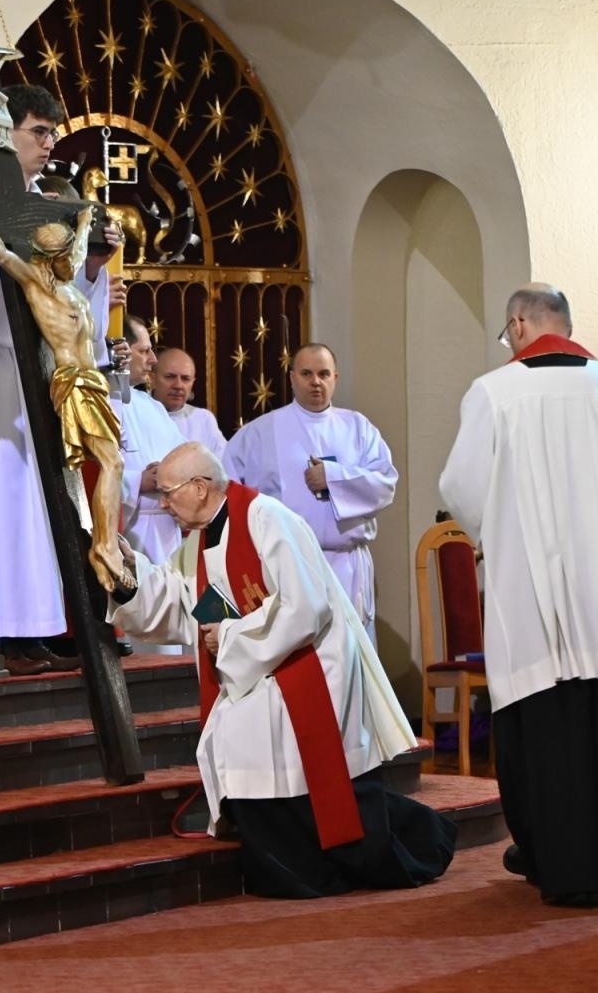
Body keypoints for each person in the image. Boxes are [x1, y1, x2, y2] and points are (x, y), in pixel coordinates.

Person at [109, 442, 456, 897]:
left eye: (168, 493)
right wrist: (128, 570)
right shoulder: (198, 538)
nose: (163, 503)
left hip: (306, 664)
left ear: (198, 488)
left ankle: (401, 846)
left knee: (293, 769)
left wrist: (230, 639)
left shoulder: (265, 519)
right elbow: (179, 600)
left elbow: (304, 606)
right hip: (258, 668)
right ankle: (292, 871)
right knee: (243, 741)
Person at [438, 285, 598, 908]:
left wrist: (495, 537)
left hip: (531, 593)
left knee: (538, 727)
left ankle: (547, 860)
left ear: (518, 325)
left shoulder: (493, 392)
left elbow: (462, 485)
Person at [0, 84, 124, 671]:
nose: (49, 144)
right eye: (38, 132)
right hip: (0, 367)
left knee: (51, 502)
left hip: (47, 370)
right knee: (8, 499)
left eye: (51, 133)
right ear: (3, 134)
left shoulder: (55, 204)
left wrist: (88, 266)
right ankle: (6, 630)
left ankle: (48, 622)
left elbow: (77, 314)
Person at [224, 344, 397, 627]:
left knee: (350, 657)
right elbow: (228, 490)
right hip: (287, 567)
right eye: (306, 373)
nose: (315, 381)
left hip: (347, 565)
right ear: (292, 377)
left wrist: (333, 476)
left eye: (323, 373)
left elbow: (385, 484)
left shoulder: (358, 428)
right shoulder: (260, 433)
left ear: (335, 378)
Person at [116, 316, 190, 565]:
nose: (153, 360)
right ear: (122, 351)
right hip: (130, 531)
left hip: (167, 528)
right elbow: (86, 474)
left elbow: (185, 456)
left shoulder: (153, 407)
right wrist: (139, 481)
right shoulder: (99, 402)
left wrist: (171, 474)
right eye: (144, 351)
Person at [150, 347, 227, 460]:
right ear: (152, 379)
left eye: (185, 379)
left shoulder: (203, 419)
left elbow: (225, 466)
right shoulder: (135, 414)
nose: (178, 385)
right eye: (170, 377)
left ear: (193, 382)